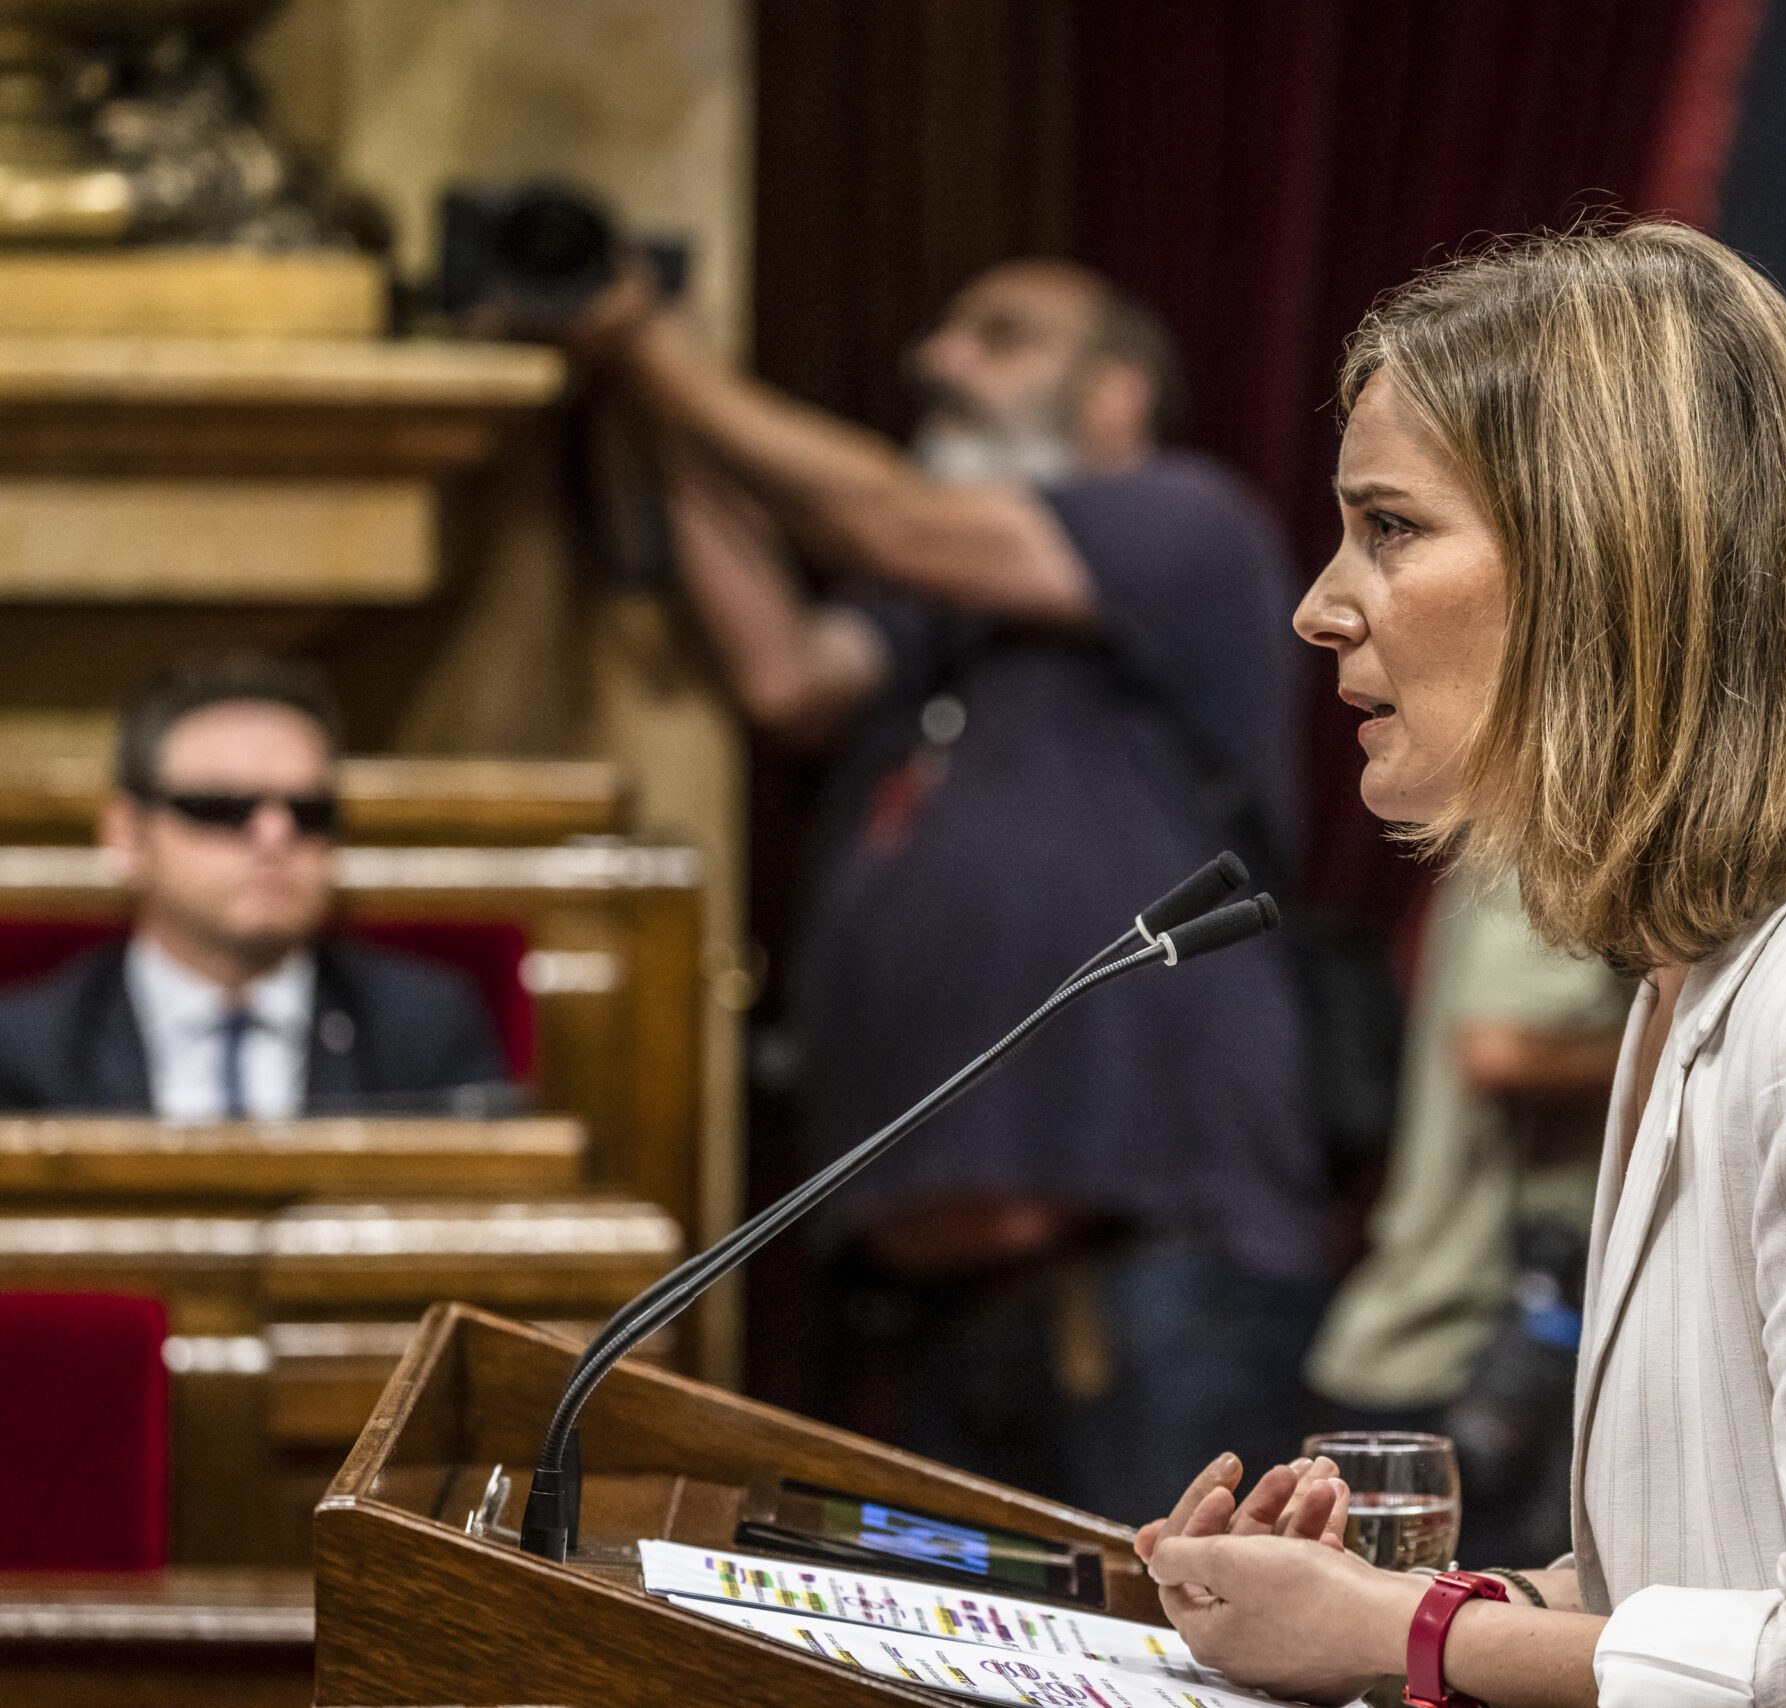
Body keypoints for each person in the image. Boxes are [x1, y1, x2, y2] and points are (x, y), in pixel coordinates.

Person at [1130, 224, 1786, 1708]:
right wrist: (1380, 1605)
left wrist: (1411, 1635)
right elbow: (1708, 1582)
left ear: (1605, 566)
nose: (1321, 603)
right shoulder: (1699, 976)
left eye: (1389, 526)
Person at [568, 259, 1324, 1524]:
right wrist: (665, 422)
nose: (939, 361)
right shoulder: (937, 613)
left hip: (1151, 1271)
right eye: (944, 335)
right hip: (942, 1300)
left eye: (1001, 338)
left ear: (1118, 394)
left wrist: (655, 348)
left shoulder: (1181, 518)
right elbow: (786, 675)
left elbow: (892, 520)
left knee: (1182, 1628)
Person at [0, 655, 512, 1117]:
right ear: (127, 835)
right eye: (224, 808)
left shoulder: (422, 1028)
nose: (274, 835)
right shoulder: (27, 1047)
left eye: (309, 812)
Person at [1307, 864, 1629, 1566]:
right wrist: (1666, 1046)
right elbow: (1500, 1047)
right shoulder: (1551, 842)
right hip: (1473, 1343)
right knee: (1430, 1626)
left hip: (1471, 1336)